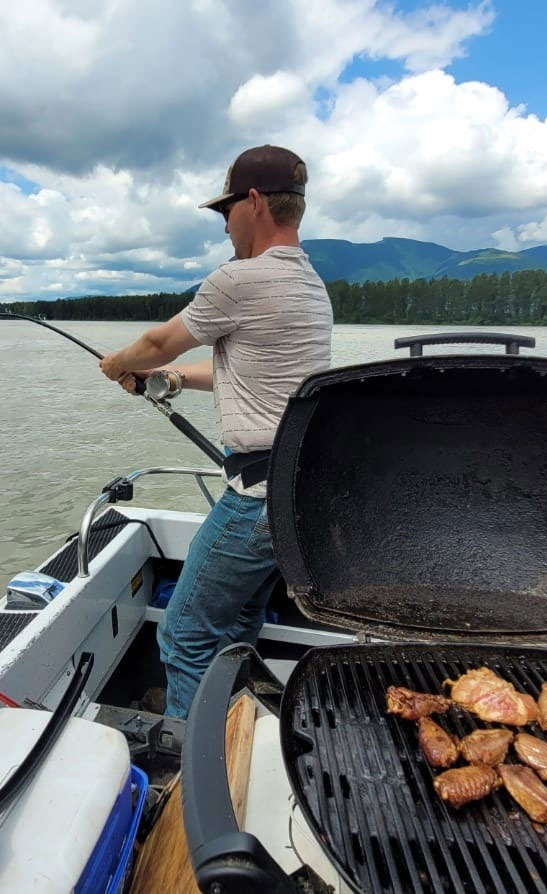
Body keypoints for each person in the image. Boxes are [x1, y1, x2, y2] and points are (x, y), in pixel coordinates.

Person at [99, 145, 333, 717]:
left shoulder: (240, 280)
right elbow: (246, 370)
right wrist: (171, 379)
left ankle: (189, 766)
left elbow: (156, 343)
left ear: (253, 202)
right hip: (297, 494)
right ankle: (233, 730)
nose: (224, 225)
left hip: (253, 501)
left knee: (183, 635)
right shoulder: (309, 285)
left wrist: (120, 363)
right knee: (238, 627)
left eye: (225, 210)